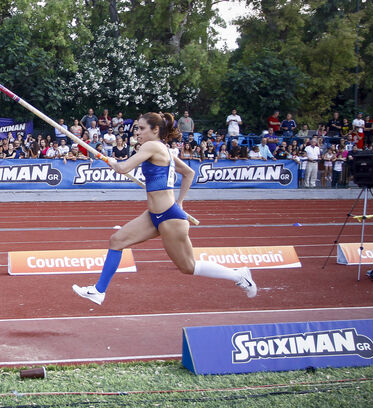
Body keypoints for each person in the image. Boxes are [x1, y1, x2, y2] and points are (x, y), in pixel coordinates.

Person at [72, 112, 257, 305]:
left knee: (188, 267)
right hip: (155, 215)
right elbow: (188, 173)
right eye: (137, 128)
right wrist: (180, 203)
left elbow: (123, 168)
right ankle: (99, 291)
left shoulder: (151, 146)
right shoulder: (165, 150)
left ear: (156, 130)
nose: (138, 133)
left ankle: (239, 275)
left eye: (142, 128)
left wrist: (111, 161)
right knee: (117, 240)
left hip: (169, 217)